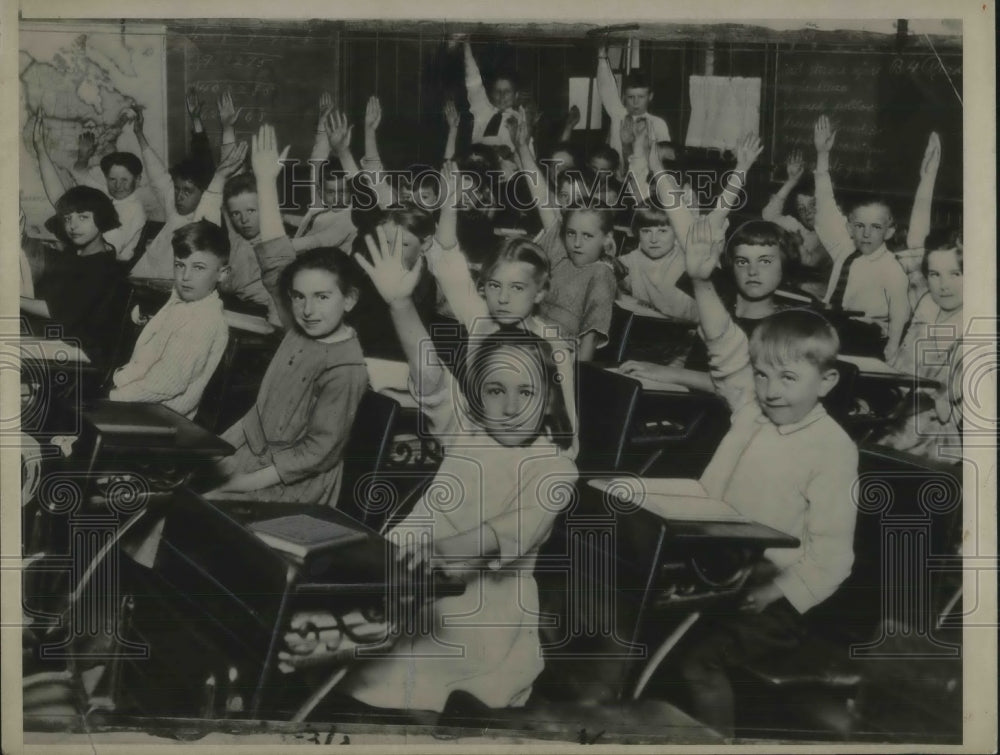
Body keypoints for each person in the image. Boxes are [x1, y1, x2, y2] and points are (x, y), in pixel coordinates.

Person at [326, 222, 576, 712]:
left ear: (549, 401)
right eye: (494, 391)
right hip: (408, 577)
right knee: (328, 651)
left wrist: (429, 553)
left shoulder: (556, 470)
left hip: (474, 613)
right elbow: (432, 378)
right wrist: (400, 304)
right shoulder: (472, 430)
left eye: (525, 393)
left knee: (383, 681)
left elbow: (503, 535)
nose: (507, 407)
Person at [673, 214, 858, 737]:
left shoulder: (833, 449)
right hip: (715, 575)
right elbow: (725, 347)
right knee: (647, 635)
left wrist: (777, 594)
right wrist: (705, 282)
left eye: (789, 378)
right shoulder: (753, 408)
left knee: (695, 662)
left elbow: (833, 557)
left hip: (772, 598)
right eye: (763, 375)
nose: (772, 389)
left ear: (827, 381)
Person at [207, 125, 368, 505]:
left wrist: (236, 485)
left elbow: (316, 455)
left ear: (349, 300)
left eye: (322, 297)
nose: (308, 309)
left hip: (291, 484)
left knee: (187, 511)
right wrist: (264, 181)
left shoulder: (346, 368)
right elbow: (277, 260)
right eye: (298, 297)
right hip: (250, 451)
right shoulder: (299, 325)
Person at [512, 114, 617, 362]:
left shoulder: (599, 267)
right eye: (564, 196)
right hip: (529, 336)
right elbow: (540, 194)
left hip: (557, 355)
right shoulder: (561, 236)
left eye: (578, 197)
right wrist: (522, 148)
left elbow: (587, 344)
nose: (569, 204)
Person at [812, 115, 911, 361]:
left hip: (866, 339)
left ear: (889, 231)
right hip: (830, 329)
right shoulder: (844, 248)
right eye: (860, 226)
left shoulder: (892, 269)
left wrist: (893, 348)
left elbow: (900, 313)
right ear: (850, 227)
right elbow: (825, 205)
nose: (866, 233)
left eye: (876, 227)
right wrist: (822, 156)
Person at [109, 220, 230, 419]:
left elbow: (166, 384)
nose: (185, 276)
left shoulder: (204, 320)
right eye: (179, 265)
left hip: (164, 418)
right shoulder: (181, 303)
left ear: (222, 273)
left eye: (199, 267)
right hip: (143, 405)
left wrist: (114, 396)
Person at [19, 186, 130, 368]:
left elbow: (55, 310)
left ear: (101, 219)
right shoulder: (84, 257)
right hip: (66, 337)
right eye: (67, 218)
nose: (73, 225)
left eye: (83, 217)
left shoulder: (102, 268)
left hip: (85, 349)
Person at [875, 232, 964, 460]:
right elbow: (902, 370)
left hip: (936, 435)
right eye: (935, 275)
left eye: (956, 274)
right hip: (898, 414)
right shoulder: (927, 305)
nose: (944, 285)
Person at [127, 96, 223, 278]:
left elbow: (205, 162)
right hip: (141, 281)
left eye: (188, 191)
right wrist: (139, 134)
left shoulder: (206, 217)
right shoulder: (174, 206)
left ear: (205, 193)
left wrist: (198, 126)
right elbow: (157, 174)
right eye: (178, 189)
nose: (179, 196)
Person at [32, 113, 147, 263]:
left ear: (137, 180)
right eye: (112, 179)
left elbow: (105, 247)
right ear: (106, 178)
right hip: (88, 259)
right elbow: (66, 196)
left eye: (124, 180)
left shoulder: (134, 210)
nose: (118, 186)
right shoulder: (110, 197)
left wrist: (63, 245)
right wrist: (41, 149)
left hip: (108, 268)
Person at [761, 151, 832, 300]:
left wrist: (798, 244)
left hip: (816, 300)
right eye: (801, 208)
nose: (807, 213)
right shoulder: (796, 226)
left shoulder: (831, 233)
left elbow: (810, 262)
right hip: (790, 294)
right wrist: (791, 181)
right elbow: (769, 215)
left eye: (813, 206)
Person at [615, 202, 698, 322]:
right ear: (638, 232)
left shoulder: (687, 262)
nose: (653, 239)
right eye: (646, 231)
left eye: (662, 231)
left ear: (676, 233)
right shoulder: (631, 260)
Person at [596, 45, 671, 168]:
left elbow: (665, 157)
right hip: (618, 179)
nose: (635, 102)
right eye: (631, 97)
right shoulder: (618, 115)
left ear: (650, 96)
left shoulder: (658, 124)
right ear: (624, 96)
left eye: (641, 97)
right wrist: (602, 57)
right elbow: (606, 88)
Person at [459, 35, 524, 150]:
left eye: (507, 91)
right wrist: (466, 45)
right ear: (491, 94)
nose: (502, 96)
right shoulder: (483, 110)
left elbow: (528, 158)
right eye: (497, 91)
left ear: (516, 95)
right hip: (476, 163)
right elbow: (473, 82)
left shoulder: (521, 121)